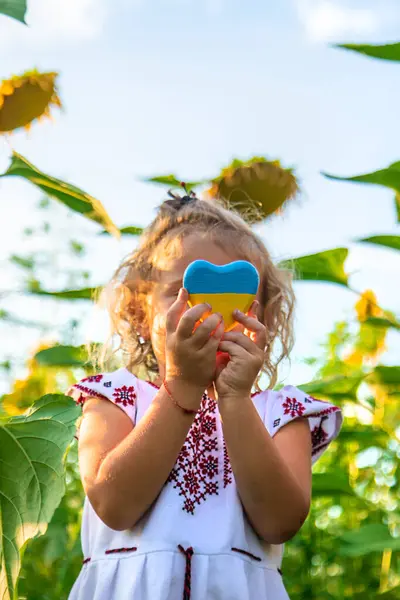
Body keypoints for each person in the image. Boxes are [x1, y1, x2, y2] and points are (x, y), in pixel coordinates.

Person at [66, 191, 343, 600]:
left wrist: (234, 399)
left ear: (264, 317)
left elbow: (280, 520)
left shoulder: (282, 413)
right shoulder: (115, 397)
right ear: (141, 315)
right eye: (183, 290)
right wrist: (182, 386)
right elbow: (113, 503)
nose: (210, 313)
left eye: (234, 297)